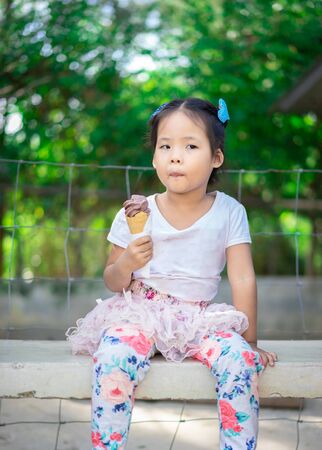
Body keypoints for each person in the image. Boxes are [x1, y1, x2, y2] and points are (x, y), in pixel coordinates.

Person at [65, 97, 278, 450]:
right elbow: (112, 280)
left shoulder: (229, 212)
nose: (175, 156)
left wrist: (250, 342)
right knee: (114, 358)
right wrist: (128, 262)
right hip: (139, 314)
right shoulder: (138, 212)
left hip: (199, 318)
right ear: (154, 158)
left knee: (240, 361)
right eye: (165, 146)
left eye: (190, 146)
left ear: (216, 158)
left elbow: (242, 278)